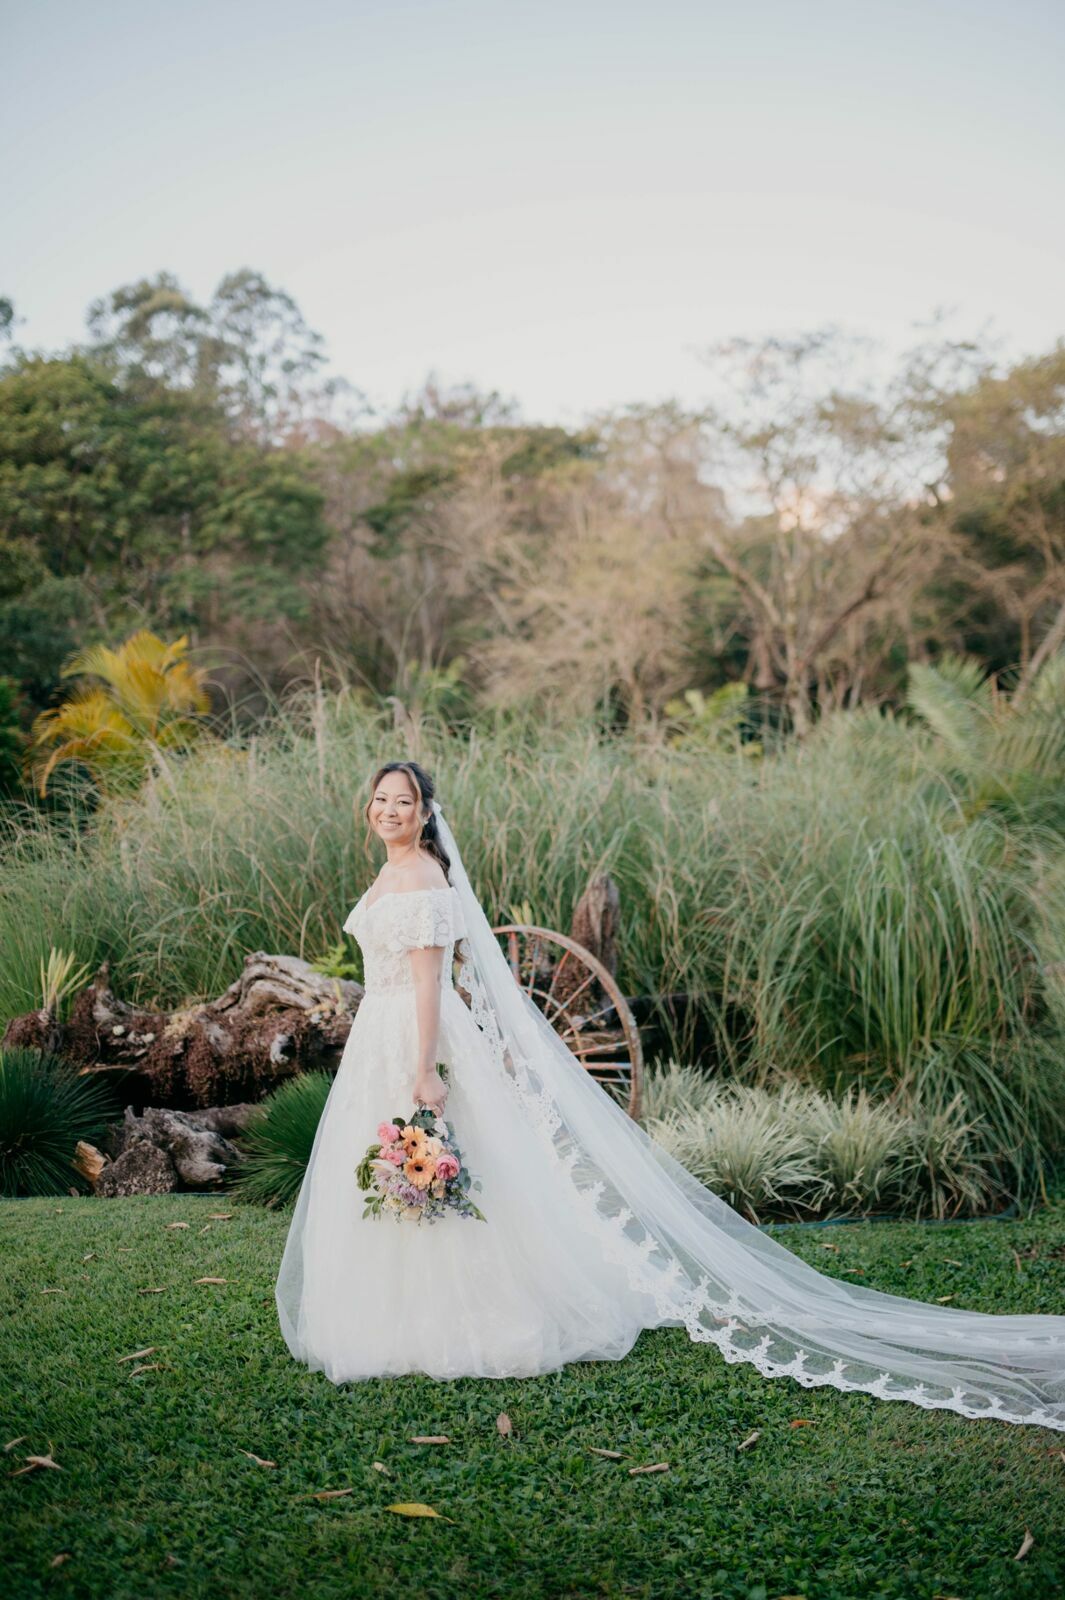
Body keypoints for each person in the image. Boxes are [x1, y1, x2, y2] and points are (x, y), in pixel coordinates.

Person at [275, 760, 1065, 1432]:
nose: (388, 812)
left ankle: (468, 1316)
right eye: (380, 801)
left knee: (446, 1170)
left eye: (402, 803)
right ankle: (399, 1309)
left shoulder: (419, 875)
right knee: (413, 1175)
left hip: (414, 1038)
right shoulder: (388, 868)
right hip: (379, 1035)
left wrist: (423, 1069)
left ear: (425, 814)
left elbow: (424, 982)